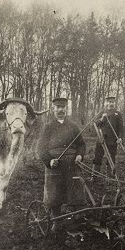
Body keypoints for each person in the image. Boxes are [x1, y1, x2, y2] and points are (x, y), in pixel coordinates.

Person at [37, 97, 86, 230]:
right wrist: (49, 160)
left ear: (66, 109)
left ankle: (77, 217)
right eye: (58, 107)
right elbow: (40, 149)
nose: (60, 110)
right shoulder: (47, 127)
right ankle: (56, 220)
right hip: (55, 165)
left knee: (75, 189)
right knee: (54, 193)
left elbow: (81, 144)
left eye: (63, 107)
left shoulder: (73, 126)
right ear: (53, 109)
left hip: (72, 164)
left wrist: (80, 155)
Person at [92, 96, 124, 178]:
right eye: (109, 102)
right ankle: (94, 175)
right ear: (105, 103)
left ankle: (110, 176)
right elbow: (95, 123)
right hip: (101, 139)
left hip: (112, 140)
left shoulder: (118, 114)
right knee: (98, 156)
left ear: (114, 103)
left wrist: (120, 138)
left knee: (111, 157)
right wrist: (102, 119)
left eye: (112, 102)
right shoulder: (102, 112)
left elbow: (121, 128)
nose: (111, 104)